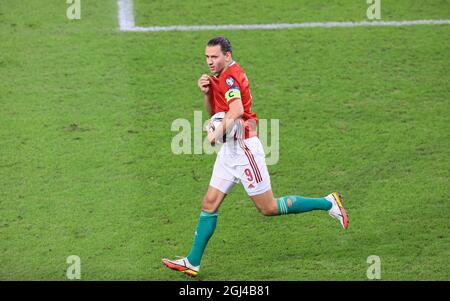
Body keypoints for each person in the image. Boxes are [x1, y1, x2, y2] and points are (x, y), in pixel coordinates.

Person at [162, 36, 349, 277]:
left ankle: (328, 202)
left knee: (269, 208)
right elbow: (217, 111)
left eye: (214, 57)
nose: (210, 61)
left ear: (227, 55)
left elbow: (237, 111)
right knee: (209, 203)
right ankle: (192, 262)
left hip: (244, 150)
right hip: (229, 151)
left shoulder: (230, 77)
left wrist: (215, 133)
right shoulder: (219, 76)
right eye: (207, 57)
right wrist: (206, 93)